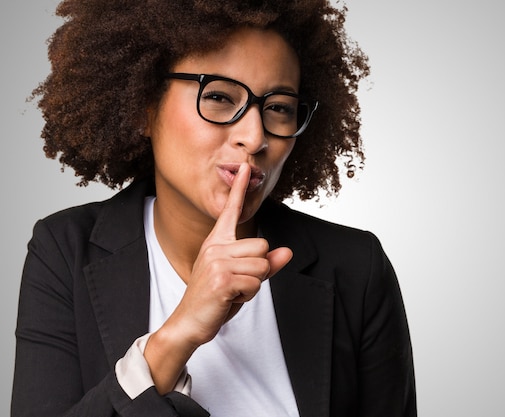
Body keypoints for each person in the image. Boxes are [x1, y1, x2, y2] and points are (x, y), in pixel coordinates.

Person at [11, 0, 417, 416]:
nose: (255, 136)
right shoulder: (65, 251)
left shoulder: (355, 268)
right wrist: (179, 333)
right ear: (144, 108)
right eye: (220, 96)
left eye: (278, 107)